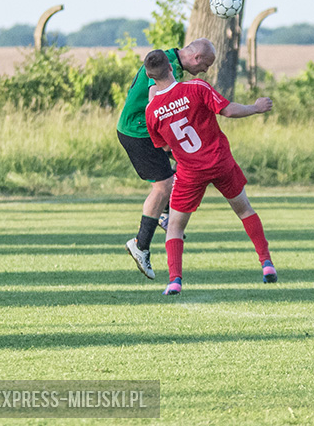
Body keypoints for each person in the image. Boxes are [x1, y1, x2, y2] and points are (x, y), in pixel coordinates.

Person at [143, 49, 277, 295]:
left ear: (150, 77)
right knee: (244, 209)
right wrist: (256, 108)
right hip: (220, 162)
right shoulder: (196, 87)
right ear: (171, 68)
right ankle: (266, 263)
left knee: (175, 227)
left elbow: (163, 146)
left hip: (190, 172)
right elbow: (227, 110)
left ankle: (175, 281)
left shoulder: (151, 112)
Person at [117, 39, 216, 280]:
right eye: (206, 65)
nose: (206, 70)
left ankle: (164, 214)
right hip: (138, 131)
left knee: (182, 167)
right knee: (163, 186)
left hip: (145, 129)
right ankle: (140, 245)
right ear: (196, 58)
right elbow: (154, 93)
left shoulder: (171, 60)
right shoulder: (167, 64)